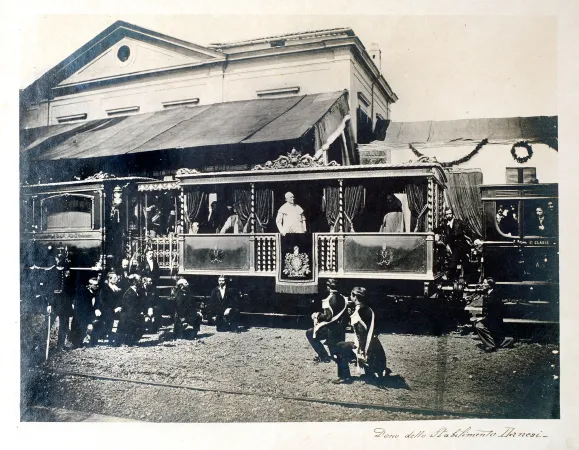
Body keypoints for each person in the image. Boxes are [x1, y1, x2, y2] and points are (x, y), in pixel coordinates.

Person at [306, 279, 350, 383]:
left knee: (337, 353)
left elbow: (328, 317)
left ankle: (344, 376)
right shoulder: (343, 298)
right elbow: (346, 316)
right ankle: (325, 357)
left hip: (332, 329)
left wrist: (317, 315)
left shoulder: (329, 299)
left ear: (328, 287)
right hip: (339, 328)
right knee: (311, 333)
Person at [344, 287, 387, 379]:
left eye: (351, 295)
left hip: (366, 347)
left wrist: (361, 350)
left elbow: (361, 334)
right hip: (376, 345)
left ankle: (344, 376)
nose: (350, 297)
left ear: (355, 297)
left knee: (339, 347)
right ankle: (370, 370)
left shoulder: (358, 313)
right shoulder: (369, 309)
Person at [45, 248, 75, 350]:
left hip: (65, 301)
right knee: (48, 323)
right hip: (54, 301)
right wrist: (49, 304)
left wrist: (72, 301)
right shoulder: (51, 272)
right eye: (58, 257)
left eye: (62, 257)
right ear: (55, 258)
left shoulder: (68, 272)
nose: (60, 259)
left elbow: (71, 288)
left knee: (64, 324)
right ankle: (42, 344)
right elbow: (48, 289)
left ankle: (60, 345)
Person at [474, 278, 514, 352]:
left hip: (494, 320)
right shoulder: (488, 294)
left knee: (479, 326)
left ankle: (490, 346)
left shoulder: (494, 297)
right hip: (492, 319)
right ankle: (505, 342)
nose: (482, 285)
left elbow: (493, 314)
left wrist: (482, 319)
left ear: (489, 285)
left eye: (484, 283)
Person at [116, 274, 146, 346]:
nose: (140, 282)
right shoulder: (129, 293)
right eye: (139, 280)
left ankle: (130, 342)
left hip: (132, 314)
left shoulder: (136, 291)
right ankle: (125, 342)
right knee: (128, 328)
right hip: (128, 315)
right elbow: (130, 308)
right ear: (134, 282)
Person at [93, 271, 123, 343]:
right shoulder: (104, 289)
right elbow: (103, 303)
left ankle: (111, 337)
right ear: (109, 279)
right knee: (106, 322)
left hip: (113, 310)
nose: (116, 279)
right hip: (106, 310)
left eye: (116, 278)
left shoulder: (116, 288)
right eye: (114, 278)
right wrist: (113, 310)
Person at [71, 277, 100, 348]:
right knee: (79, 328)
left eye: (97, 285)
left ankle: (82, 342)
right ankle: (77, 343)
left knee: (84, 327)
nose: (97, 286)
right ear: (90, 285)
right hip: (81, 313)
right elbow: (82, 305)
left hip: (87, 313)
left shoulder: (94, 292)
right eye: (95, 285)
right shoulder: (83, 292)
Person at [442, 208, 471, 276]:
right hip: (453, 247)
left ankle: (466, 280)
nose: (448, 215)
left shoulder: (459, 222)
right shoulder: (445, 225)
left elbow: (468, 231)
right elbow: (445, 236)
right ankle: (453, 279)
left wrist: (472, 239)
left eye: (450, 214)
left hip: (462, 245)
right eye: (447, 214)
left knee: (466, 264)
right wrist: (447, 245)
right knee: (453, 263)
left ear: (452, 214)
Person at [140, 248, 161, 332]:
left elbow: (158, 273)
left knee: (153, 303)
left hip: (153, 286)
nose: (151, 255)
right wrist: (146, 279)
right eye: (150, 254)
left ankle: (153, 324)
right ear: (146, 255)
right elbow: (140, 274)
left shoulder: (155, 263)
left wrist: (153, 280)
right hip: (145, 286)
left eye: (152, 254)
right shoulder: (142, 263)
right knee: (146, 303)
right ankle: (145, 323)